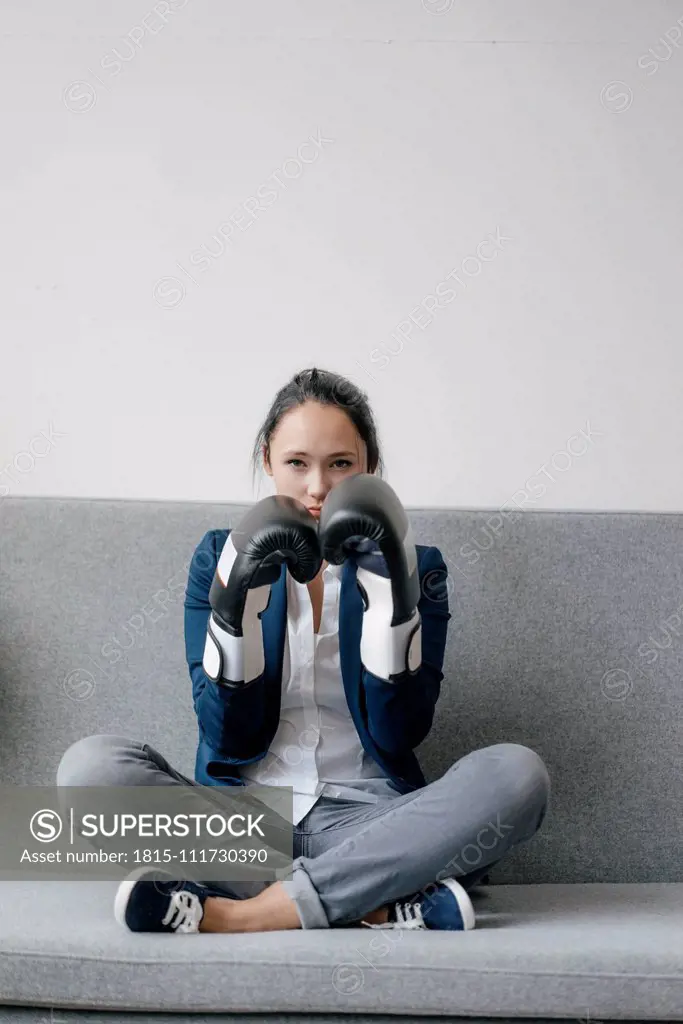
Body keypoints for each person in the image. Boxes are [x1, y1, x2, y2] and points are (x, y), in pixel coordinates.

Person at [56, 367, 550, 934]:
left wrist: (393, 597)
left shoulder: (421, 564)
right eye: (297, 463)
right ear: (269, 459)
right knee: (90, 769)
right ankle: (374, 900)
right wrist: (235, 611)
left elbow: (400, 731)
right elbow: (228, 736)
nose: (318, 487)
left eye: (340, 464)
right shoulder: (219, 554)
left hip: (371, 821)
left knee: (518, 776)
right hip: (242, 823)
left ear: (368, 466)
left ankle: (236, 914)